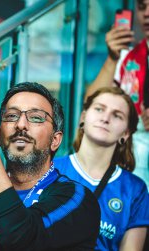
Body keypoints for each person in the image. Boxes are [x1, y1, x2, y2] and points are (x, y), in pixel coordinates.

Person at [0, 82, 101, 250]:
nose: (21, 124)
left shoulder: (77, 199)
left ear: (55, 140)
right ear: (1, 134)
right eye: (11, 116)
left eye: (36, 117)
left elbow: (22, 238)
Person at [54, 87, 149, 251]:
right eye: (99, 109)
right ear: (83, 117)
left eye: (117, 115)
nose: (105, 118)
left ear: (125, 133)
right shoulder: (49, 169)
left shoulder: (135, 190)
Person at [86, 0, 149, 189]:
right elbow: (90, 104)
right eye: (141, 7)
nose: (146, 13)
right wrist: (113, 57)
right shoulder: (127, 58)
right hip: (133, 165)